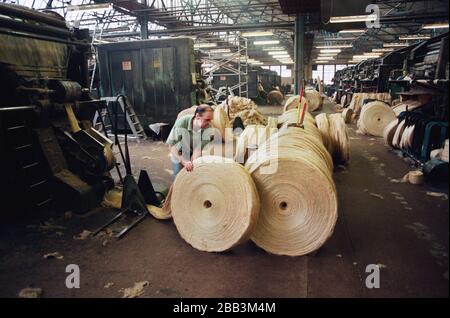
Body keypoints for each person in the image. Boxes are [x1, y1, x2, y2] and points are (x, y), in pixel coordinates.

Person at [166, 104, 214, 180]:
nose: (210, 122)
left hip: (192, 152)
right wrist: (184, 161)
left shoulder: (209, 129)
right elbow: (171, 145)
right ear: (197, 116)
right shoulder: (182, 122)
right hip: (179, 152)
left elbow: (198, 150)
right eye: (207, 119)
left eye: (211, 119)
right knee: (179, 178)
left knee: (193, 176)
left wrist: (193, 163)